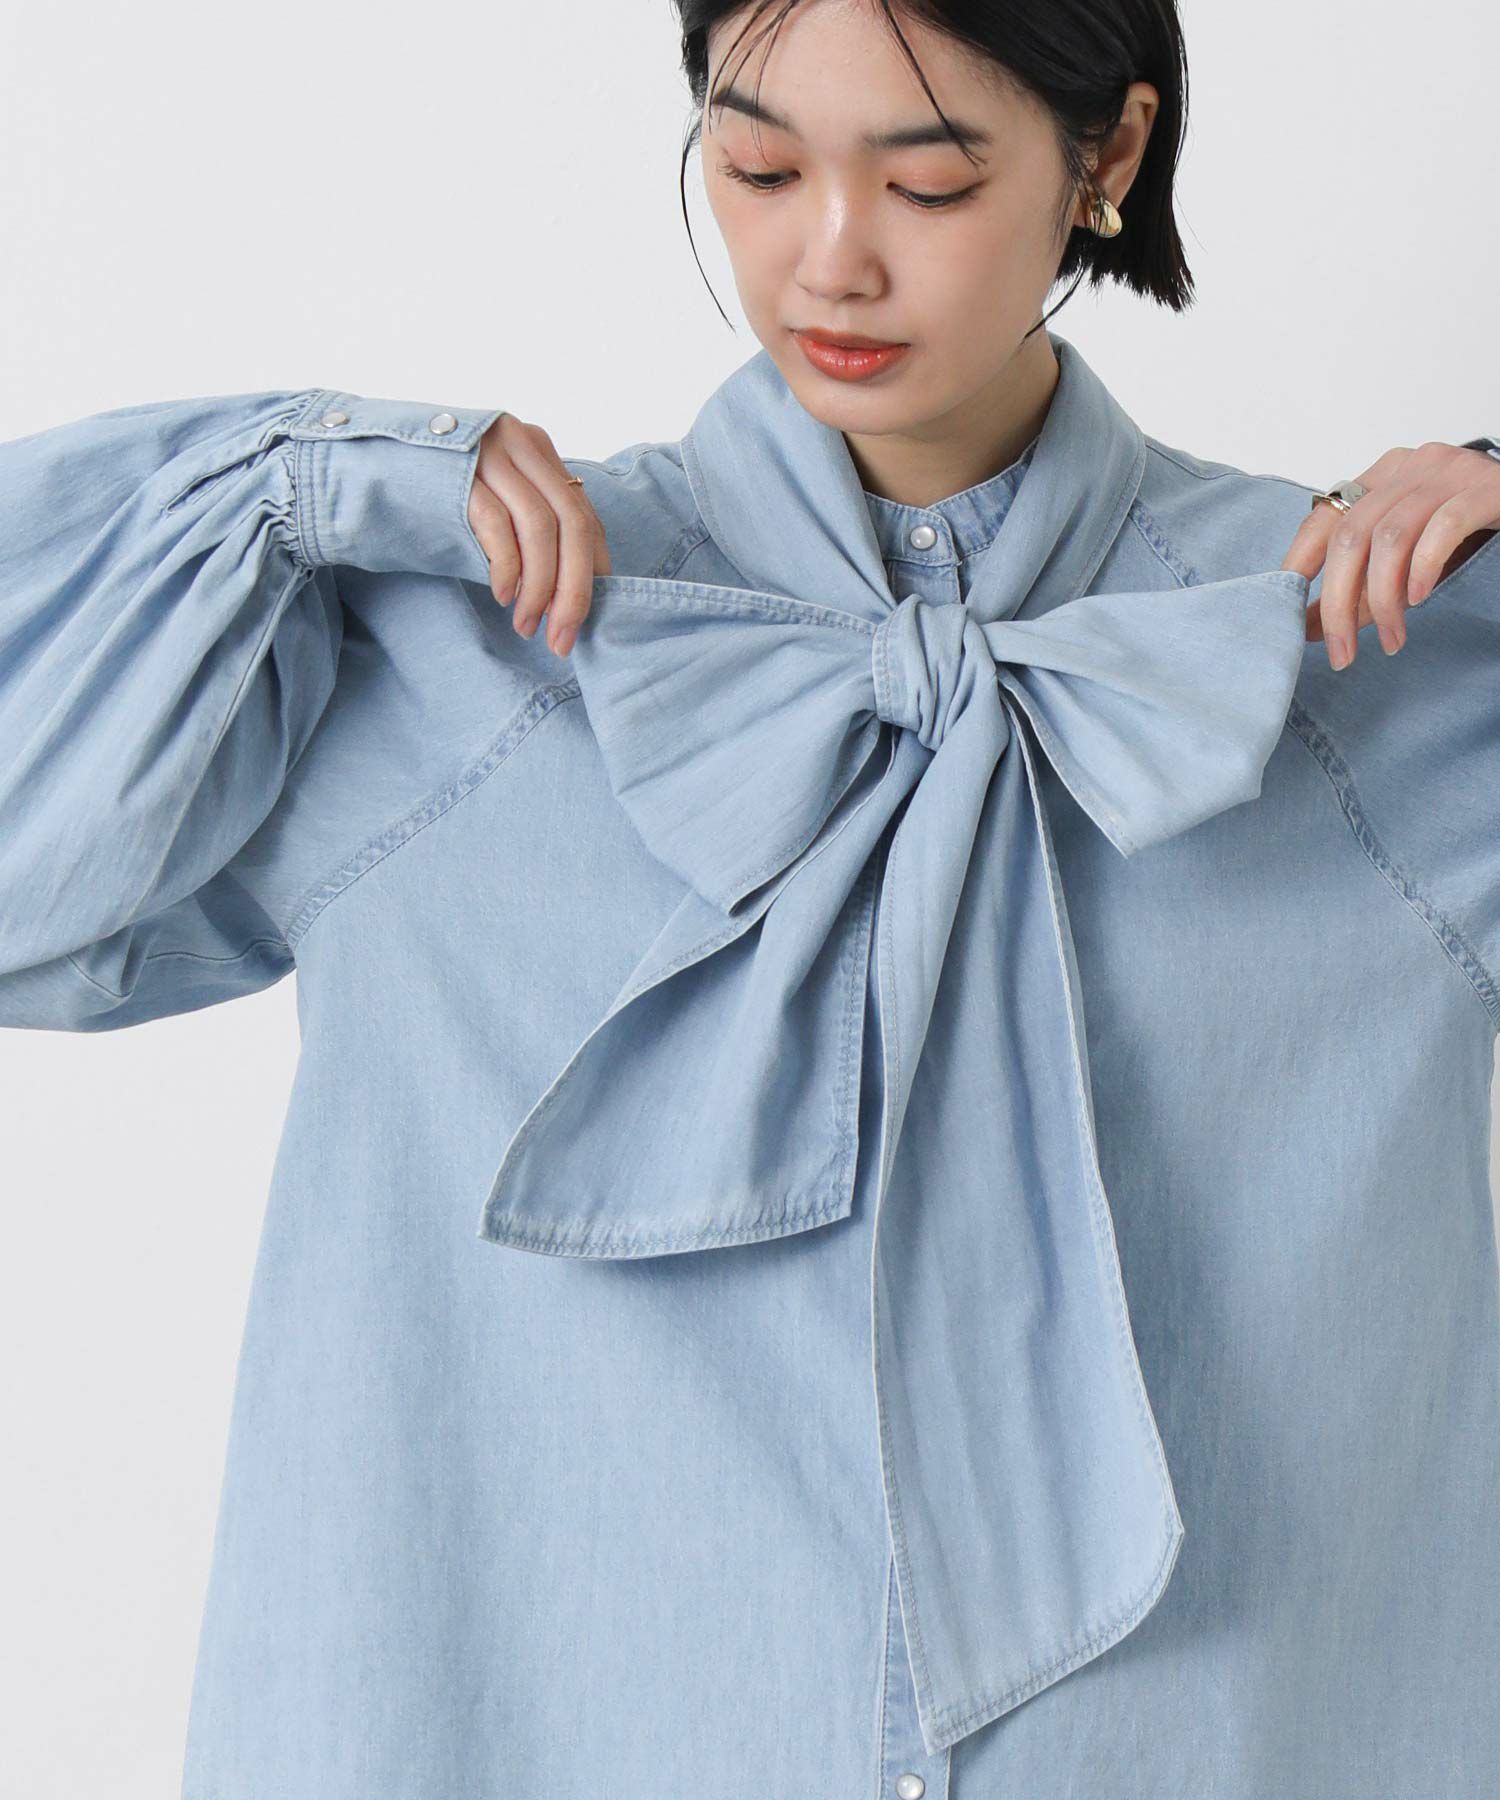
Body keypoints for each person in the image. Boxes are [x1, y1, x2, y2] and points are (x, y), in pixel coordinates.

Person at [3, 3, 1499, 1797]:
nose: (829, 259)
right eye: (760, 164)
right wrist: (286, 485)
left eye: (927, 184)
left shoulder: (1364, 660)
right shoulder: (457, 643)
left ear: (1107, 155)